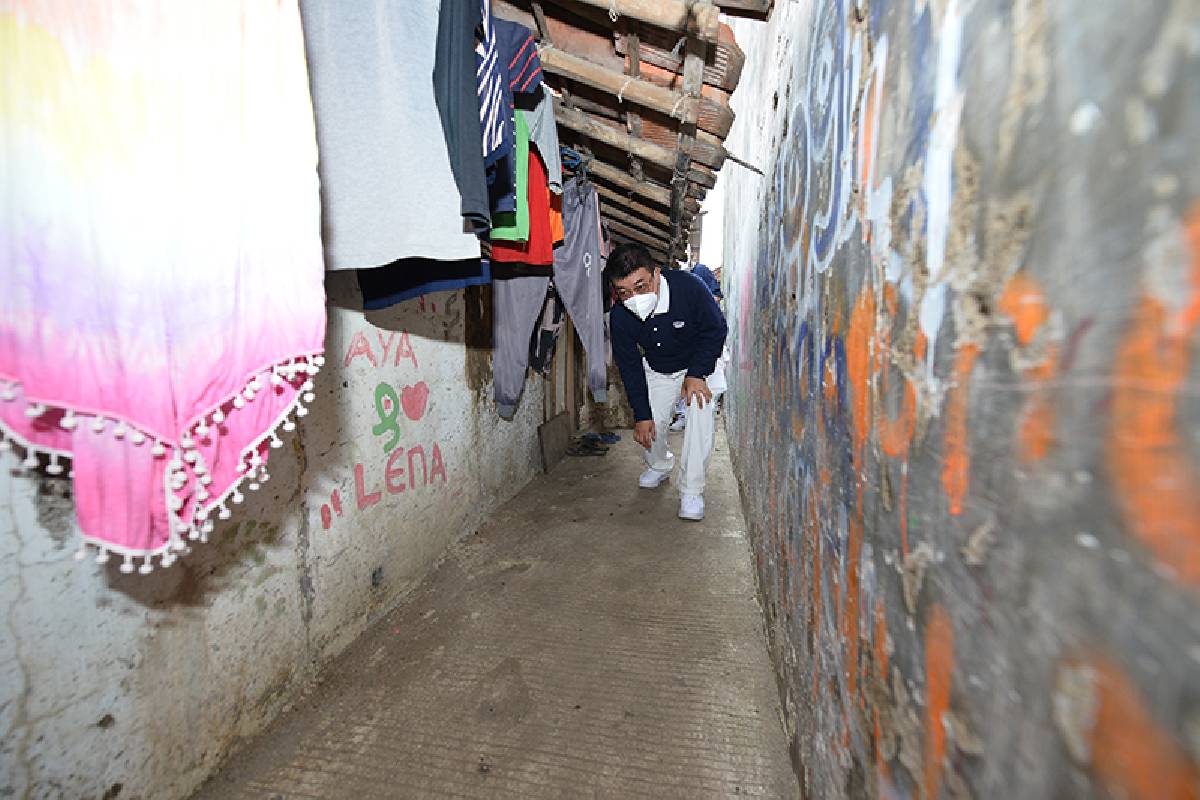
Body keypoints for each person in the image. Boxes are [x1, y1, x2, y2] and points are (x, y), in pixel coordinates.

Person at [605, 243, 728, 521]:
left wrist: (696, 373)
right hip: (660, 369)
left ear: (656, 274)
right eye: (623, 292)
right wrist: (641, 414)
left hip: (700, 364)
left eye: (641, 286)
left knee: (700, 412)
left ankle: (691, 490)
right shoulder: (621, 316)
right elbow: (630, 367)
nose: (633, 297)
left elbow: (716, 329)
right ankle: (660, 466)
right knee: (653, 424)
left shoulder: (690, 288)